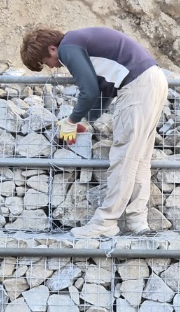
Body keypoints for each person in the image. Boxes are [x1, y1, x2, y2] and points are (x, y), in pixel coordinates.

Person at [20, 26, 169, 238]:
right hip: (154, 80)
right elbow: (104, 90)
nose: (51, 67)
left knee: (123, 158)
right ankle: (137, 221)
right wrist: (86, 120)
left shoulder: (68, 47)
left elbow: (88, 91)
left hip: (137, 87)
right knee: (139, 159)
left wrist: (71, 121)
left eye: (45, 62)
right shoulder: (83, 41)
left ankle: (105, 223)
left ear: (52, 49)